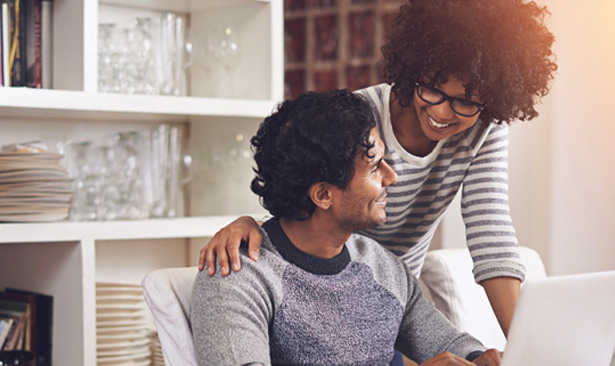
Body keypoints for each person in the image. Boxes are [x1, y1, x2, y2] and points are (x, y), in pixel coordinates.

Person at [198, 0, 557, 337]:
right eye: (432, 89)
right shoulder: (360, 119)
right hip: (331, 300)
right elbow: (306, 199)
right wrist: (253, 223)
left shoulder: (484, 129)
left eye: (465, 101)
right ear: (415, 67)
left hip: (397, 301)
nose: (443, 113)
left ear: (493, 99)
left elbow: (490, 229)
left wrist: (530, 347)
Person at [192, 89, 501, 365]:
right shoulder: (235, 275)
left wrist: (480, 358)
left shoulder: (383, 267)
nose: (391, 177)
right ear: (324, 194)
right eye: (374, 166)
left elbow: (446, 343)